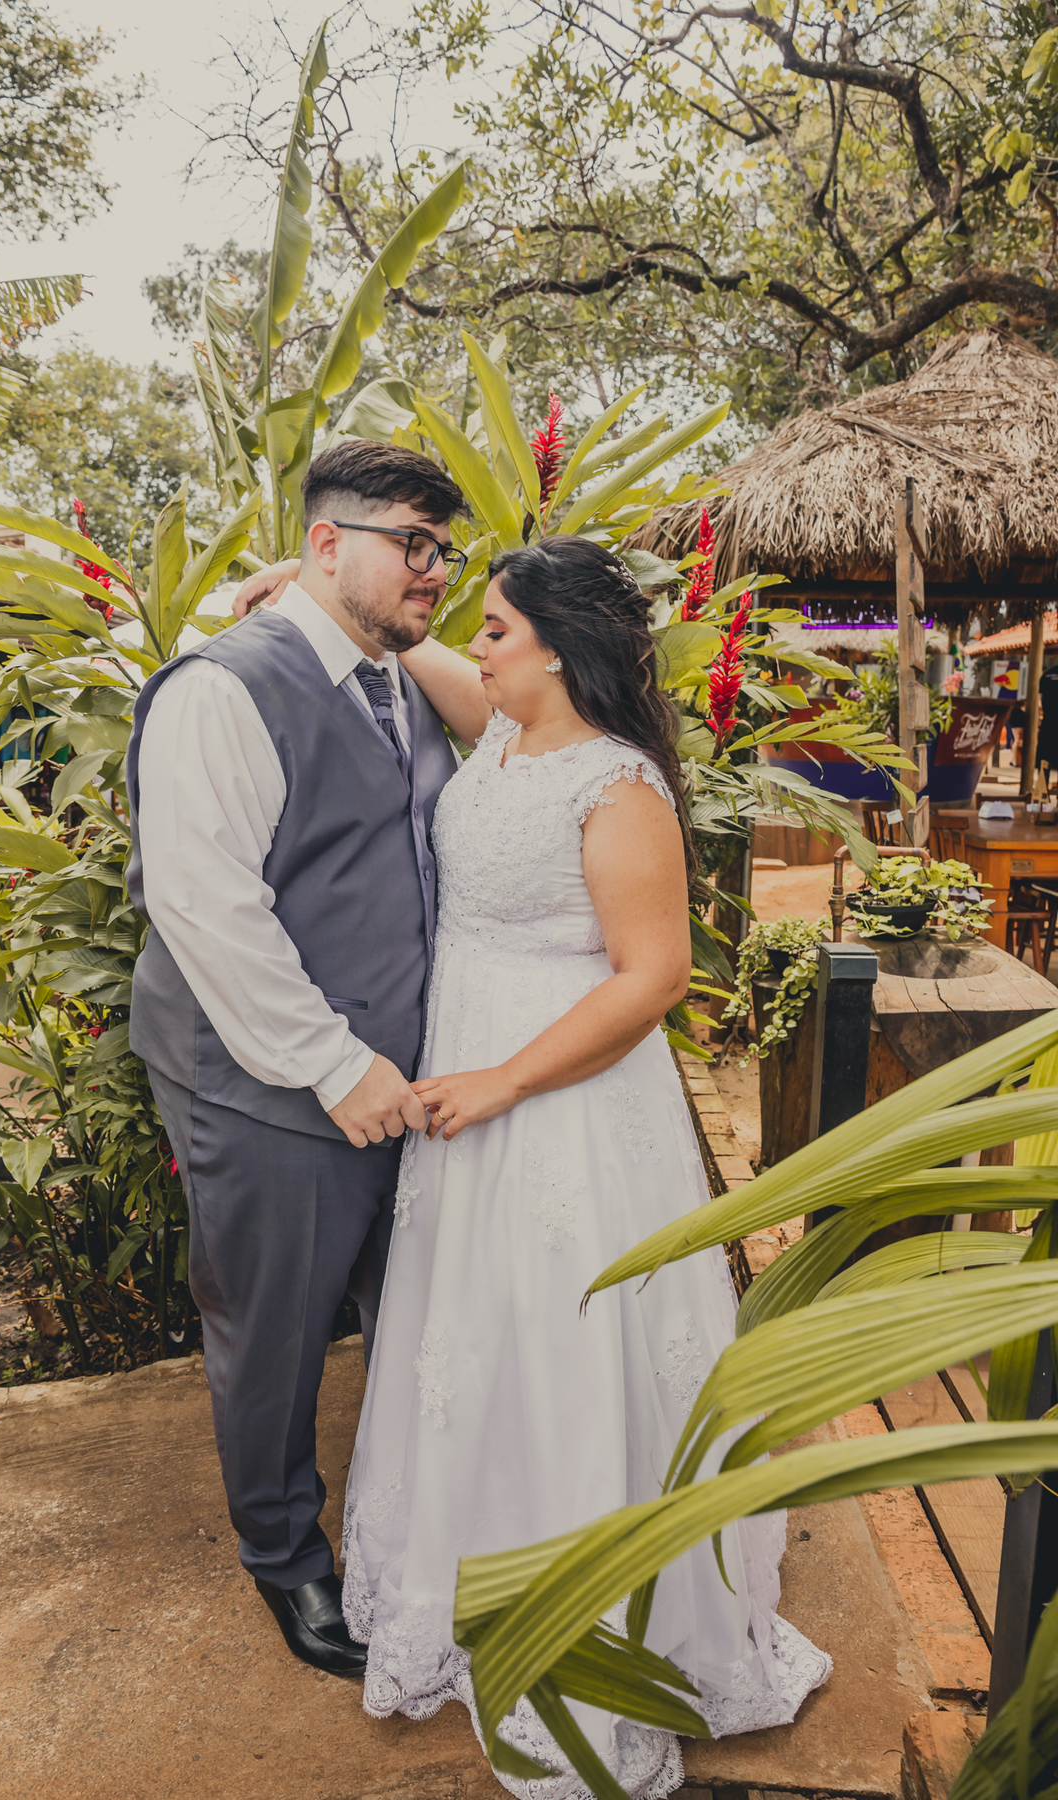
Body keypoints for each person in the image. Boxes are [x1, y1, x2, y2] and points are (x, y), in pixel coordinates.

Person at [338, 538, 831, 1797]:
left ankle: (597, 1618)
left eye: (498, 627)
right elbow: (427, 655)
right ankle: (476, 1578)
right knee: (477, 1333)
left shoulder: (618, 784)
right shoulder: (505, 728)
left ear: (556, 649)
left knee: (565, 1332)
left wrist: (505, 1081)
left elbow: (653, 978)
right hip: (470, 1066)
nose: (478, 644)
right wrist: (304, 586)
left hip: (559, 1096)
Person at [124, 439, 468, 1677]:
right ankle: (283, 1556)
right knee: (272, 1331)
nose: (435, 570)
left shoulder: (403, 682)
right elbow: (205, 905)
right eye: (411, 543)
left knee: (408, 1315)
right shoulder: (222, 688)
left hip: (400, 1082)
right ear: (327, 544)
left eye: (445, 550)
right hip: (265, 1081)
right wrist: (334, 1065)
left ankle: (400, 1527)